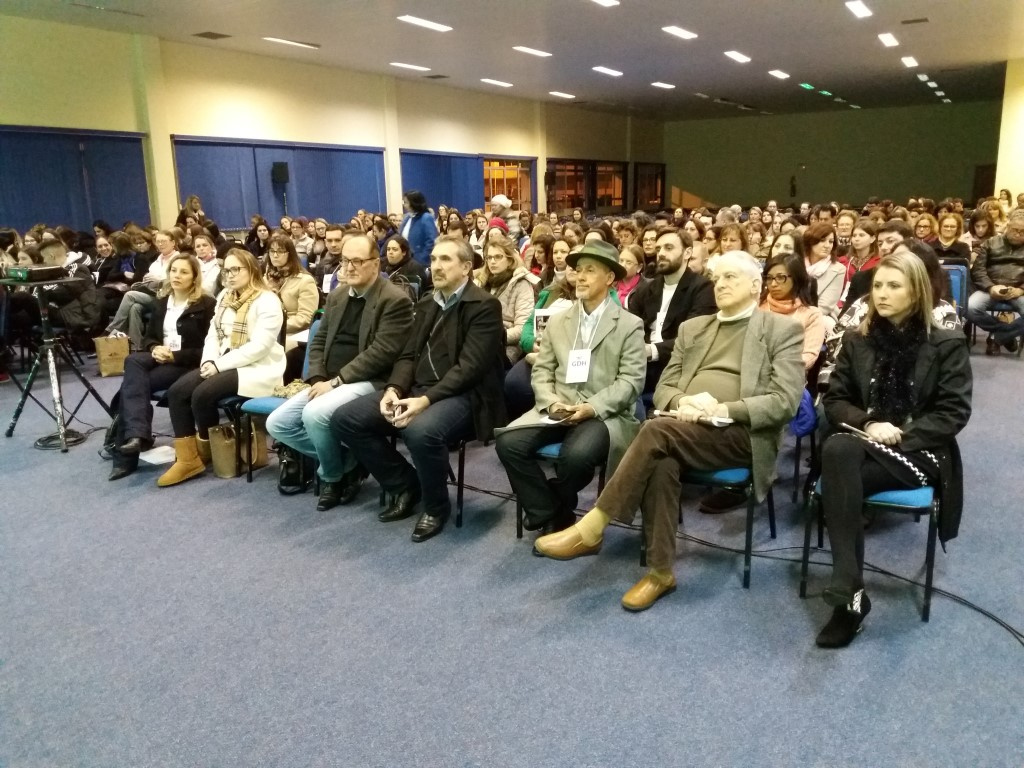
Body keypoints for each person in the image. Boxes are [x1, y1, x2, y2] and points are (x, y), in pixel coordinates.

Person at [533, 251, 804, 612]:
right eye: (717, 278)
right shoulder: (694, 329)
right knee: (661, 460)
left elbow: (785, 401)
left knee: (655, 431)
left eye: (731, 278)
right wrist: (685, 402)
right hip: (685, 427)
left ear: (756, 286)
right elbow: (664, 389)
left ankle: (594, 525)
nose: (720, 285)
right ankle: (660, 573)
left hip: (741, 434)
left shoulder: (781, 331)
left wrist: (722, 409)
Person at [815, 251, 972, 648]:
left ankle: (847, 599)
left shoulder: (946, 343)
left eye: (893, 286)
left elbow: (953, 412)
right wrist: (871, 424)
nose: (881, 294)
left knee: (838, 466)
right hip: (863, 443)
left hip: (921, 450)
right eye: (878, 286)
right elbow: (835, 401)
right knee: (839, 452)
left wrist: (898, 435)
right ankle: (850, 590)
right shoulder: (858, 340)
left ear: (916, 291)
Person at [330, 236, 507, 543]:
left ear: (466, 267)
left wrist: (424, 400)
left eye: (445, 259)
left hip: (465, 395)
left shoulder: (484, 305)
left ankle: (436, 507)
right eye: (434, 259)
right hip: (419, 389)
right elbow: (408, 355)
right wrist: (393, 389)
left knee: (420, 431)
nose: (436, 266)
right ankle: (405, 485)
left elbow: (469, 368)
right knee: (346, 418)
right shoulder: (427, 302)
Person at [495, 240, 646, 535]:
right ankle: (550, 509)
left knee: (576, 457)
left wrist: (591, 407)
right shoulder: (558, 321)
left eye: (590, 270)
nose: (580, 276)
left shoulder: (629, 325)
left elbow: (631, 382)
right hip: (559, 407)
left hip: (603, 413)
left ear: (610, 278)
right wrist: (551, 402)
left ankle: (556, 509)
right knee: (508, 443)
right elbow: (542, 371)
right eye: (578, 270)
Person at [266, 234, 414, 510]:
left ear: (376, 263)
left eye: (357, 261)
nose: (349, 267)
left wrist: (336, 382)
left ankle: (331, 478)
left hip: (369, 380)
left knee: (314, 414)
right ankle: (350, 461)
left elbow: (381, 353)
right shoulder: (337, 296)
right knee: (278, 423)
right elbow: (318, 341)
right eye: (345, 261)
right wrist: (318, 377)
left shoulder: (394, 300)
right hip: (330, 381)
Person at [158, 248, 285, 487]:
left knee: (202, 394)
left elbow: (260, 347)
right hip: (224, 362)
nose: (230, 275)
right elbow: (213, 335)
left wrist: (218, 365)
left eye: (236, 269)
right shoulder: (225, 296)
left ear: (252, 270)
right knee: (177, 392)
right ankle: (188, 458)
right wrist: (208, 361)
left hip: (258, 367)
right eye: (227, 270)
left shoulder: (268, 300)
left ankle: (211, 450)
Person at [108, 254, 216, 480]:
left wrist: (174, 356)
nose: (177, 276)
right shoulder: (162, 302)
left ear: (194, 277)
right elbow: (149, 337)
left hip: (187, 363)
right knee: (133, 361)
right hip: (160, 356)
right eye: (173, 270)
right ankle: (137, 435)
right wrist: (154, 347)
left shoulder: (206, 305)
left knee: (131, 388)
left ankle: (127, 453)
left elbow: (209, 348)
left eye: (184, 272)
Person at [627, 227, 716, 394]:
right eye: (658, 249)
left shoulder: (703, 288)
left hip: (678, 369)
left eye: (668, 248)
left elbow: (694, 338)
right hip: (640, 368)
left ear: (687, 253)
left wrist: (651, 350)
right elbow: (629, 328)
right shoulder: (646, 289)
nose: (661, 253)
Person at [966, 208, 1024, 354]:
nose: (1018, 234)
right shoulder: (991, 243)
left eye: (1023, 232)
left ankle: (997, 338)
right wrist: (990, 287)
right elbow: (978, 270)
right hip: (991, 288)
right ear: (1008, 227)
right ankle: (1006, 333)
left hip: (1018, 290)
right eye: (1015, 230)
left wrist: (1021, 289)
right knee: (970, 307)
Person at [263, 234, 319, 378]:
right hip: (269, 328)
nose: (275, 255)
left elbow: (305, 318)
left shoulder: (305, 280)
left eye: (280, 251)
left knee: (270, 350)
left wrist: (277, 327)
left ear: (290, 254)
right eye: (272, 251)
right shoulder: (266, 279)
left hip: (293, 333)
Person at [476, 237, 536, 367]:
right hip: (478, 341)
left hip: (506, 348)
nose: (492, 261)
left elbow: (523, 328)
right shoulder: (481, 282)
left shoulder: (521, 284)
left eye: (498, 257)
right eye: (489, 257)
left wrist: (493, 338)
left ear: (509, 260)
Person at [760, 252, 825, 370]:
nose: (773, 284)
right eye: (769, 278)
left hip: (789, 374)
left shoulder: (812, 315)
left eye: (781, 277)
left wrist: (776, 367)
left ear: (796, 279)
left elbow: (809, 356)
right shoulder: (757, 308)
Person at [803, 221, 846, 330]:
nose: (827, 246)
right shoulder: (797, 264)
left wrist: (800, 318)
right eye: (822, 240)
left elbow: (825, 306)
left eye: (831, 242)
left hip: (820, 317)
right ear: (811, 241)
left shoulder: (838, 269)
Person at [399, 190, 437, 266]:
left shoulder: (426, 218)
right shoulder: (407, 217)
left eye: (406, 202)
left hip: (420, 262)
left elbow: (431, 241)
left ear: (414, 203)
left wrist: (421, 259)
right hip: (406, 261)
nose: (404, 205)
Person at [615, 244, 646, 309]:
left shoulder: (646, 288)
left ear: (639, 267)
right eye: (621, 261)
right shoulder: (611, 282)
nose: (623, 265)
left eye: (628, 262)